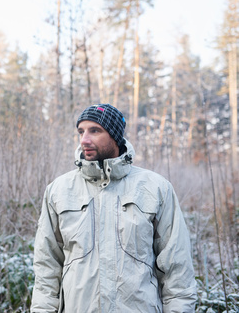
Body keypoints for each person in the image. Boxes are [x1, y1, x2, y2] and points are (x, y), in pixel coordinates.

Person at [31, 104, 197, 312]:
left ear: (115, 136)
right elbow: (47, 266)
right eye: (81, 131)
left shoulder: (155, 188)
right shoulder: (59, 190)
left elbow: (177, 268)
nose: (84, 139)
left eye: (95, 131)